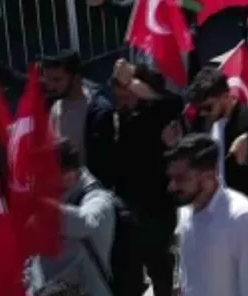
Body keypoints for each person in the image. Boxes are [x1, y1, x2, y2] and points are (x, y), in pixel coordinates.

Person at [108, 60, 183, 294]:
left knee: (158, 264)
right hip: (128, 204)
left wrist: (132, 81)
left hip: (156, 205)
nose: (122, 102)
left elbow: (174, 102)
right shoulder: (122, 116)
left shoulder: (157, 115)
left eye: (127, 95)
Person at [169, 134, 248, 296]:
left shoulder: (241, 218)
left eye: (181, 178)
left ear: (209, 175)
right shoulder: (185, 210)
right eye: (172, 178)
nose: (172, 186)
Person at [182, 68, 248, 222]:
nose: (203, 113)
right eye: (199, 109)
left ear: (226, 97)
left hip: (242, 211)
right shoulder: (205, 120)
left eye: (208, 108)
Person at [38, 140, 117, 296]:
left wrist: (44, 210)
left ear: (69, 174)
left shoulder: (98, 199)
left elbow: (86, 222)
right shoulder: (51, 197)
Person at [41, 50, 117, 189]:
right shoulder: (54, 105)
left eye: (57, 80)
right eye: (48, 80)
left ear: (76, 78)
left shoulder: (98, 111)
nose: (50, 86)